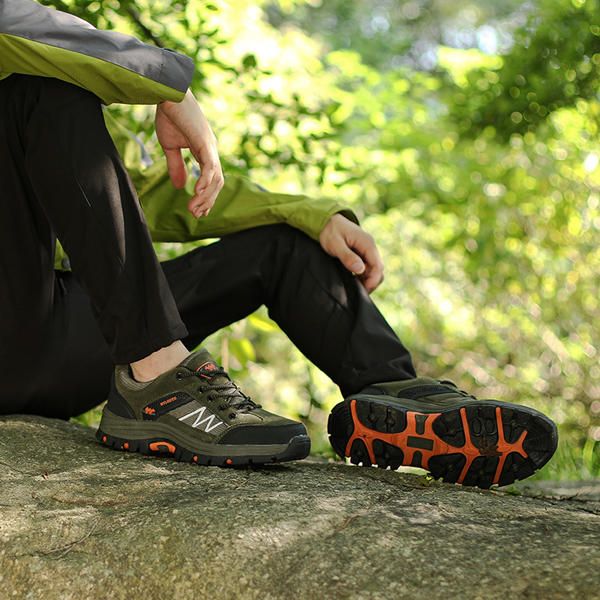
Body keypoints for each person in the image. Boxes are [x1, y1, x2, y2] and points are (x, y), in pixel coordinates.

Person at [0, 0, 557, 488]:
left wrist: (310, 217)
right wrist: (173, 88)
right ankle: (161, 384)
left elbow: (131, 194)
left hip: (51, 336)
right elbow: (19, 24)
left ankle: (396, 397)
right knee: (41, 89)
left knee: (282, 246)